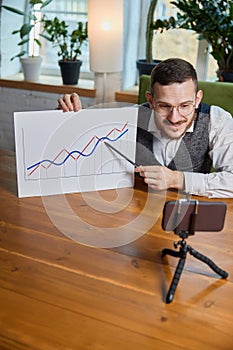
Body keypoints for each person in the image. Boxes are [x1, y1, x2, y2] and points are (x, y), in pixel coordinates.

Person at [57, 58, 233, 198]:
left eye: (185, 106)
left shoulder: (216, 120)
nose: (175, 117)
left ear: (197, 99)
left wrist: (177, 179)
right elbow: (78, 148)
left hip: (190, 221)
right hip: (135, 214)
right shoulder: (130, 118)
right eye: (164, 106)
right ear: (150, 101)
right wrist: (64, 117)